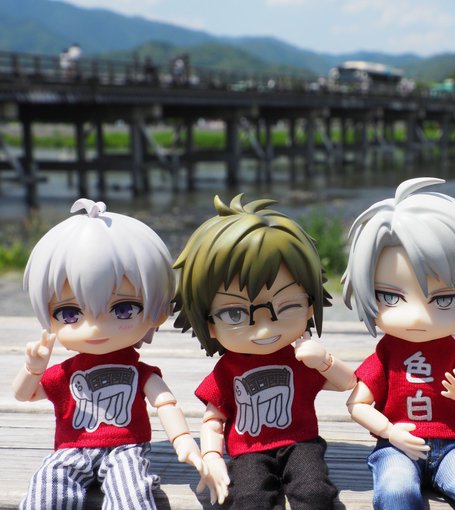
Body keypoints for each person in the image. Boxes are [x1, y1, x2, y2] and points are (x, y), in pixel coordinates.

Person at [12, 198, 207, 509]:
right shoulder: (66, 372)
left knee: (131, 491)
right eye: (69, 313)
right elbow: (26, 394)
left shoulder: (139, 372)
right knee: (48, 485)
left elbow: (165, 402)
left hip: (126, 448)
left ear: (158, 312)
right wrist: (33, 369)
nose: (95, 328)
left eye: (123, 309)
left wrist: (183, 440)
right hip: (71, 447)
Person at [173, 194, 357, 509]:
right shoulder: (227, 371)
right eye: (234, 313)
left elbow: (348, 383)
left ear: (309, 306)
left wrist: (324, 361)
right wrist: (212, 455)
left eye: (286, 306)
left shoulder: (300, 357)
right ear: (208, 323)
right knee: (249, 498)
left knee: (315, 492)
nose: (263, 328)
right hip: (248, 449)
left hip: (300, 442)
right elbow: (213, 419)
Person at [343, 177, 455, 510]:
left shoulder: (453, 352)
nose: (418, 316)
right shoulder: (386, 353)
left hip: (451, 447)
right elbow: (356, 404)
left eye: (445, 299)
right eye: (390, 296)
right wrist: (388, 431)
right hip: (397, 446)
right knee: (395, 492)